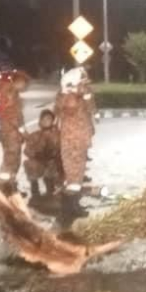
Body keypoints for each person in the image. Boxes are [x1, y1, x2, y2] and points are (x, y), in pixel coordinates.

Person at [54, 67, 94, 226]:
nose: (86, 86)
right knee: (73, 175)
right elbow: (69, 108)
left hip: (80, 141)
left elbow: (90, 111)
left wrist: (86, 95)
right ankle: (67, 211)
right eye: (83, 83)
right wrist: (76, 92)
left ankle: (74, 206)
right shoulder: (68, 97)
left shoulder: (79, 96)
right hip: (72, 143)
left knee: (77, 174)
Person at [0, 70, 30, 195]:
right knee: (10, 159)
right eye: (24, 84)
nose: (25, 87)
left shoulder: (12, 92)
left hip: (10, 132)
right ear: (18, 81)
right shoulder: (10, 93)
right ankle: (2, 186)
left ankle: (10, 185)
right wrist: (22, 130)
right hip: (10, 132)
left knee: (13, 159)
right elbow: (13, 115)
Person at [23, 109, 62, 201]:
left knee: (53, 166)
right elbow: (27, 150)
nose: (46, 121)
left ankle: (51, 190)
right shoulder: (35, 135)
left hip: (55, 164)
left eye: (49, 119)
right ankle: (35, 192)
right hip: (40, 162)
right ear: (40, 121)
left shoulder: (58, 134)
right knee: (29, 163)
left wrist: (54, 154)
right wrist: (36, 154)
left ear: (52, 121)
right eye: (44, 119)